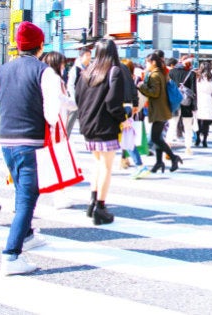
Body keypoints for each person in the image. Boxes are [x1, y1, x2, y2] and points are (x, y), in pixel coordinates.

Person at [0, 21, 58, 275]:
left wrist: (9, 117)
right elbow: (52, 110)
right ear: (41, 45)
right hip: (31, 141)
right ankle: (11, 254)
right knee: (28, 195)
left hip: (7, 140)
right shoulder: (44, 71)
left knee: (21, 189)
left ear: (16, 44)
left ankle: (27, 234)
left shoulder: (1, 71)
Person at [76, 39, 127, 226]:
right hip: (105, 125)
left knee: (97, 163)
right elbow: (113, 103)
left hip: (88, 125)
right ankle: (100, 207)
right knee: (106, 166)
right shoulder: (114, 71)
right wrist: (124, 118)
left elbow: (78, 98)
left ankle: (92, 202)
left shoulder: (86, 72)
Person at [40, 51, 78, 209]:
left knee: (53, 161)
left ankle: (59, 195)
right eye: (62, 63)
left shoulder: (46, 77)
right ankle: (59, 197)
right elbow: (60, 100)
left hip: (53, 123)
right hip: (56, 124)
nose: (64, 66)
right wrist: (77, 103)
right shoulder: (55, 79)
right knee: (58, 161)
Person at [138, 53, 183, 172]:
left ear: (153, 62)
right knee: (158, 137)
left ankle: (173, 158)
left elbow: (155, 92)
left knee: (155, 138)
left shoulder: (155, 75)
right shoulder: (161, 73)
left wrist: (141, 86)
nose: (146, 64)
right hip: (162, 109)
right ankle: (159, 162)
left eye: (147, 62)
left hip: (159, 110)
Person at [121, 58, 150, 179]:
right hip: (130, 110)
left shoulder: (123, 79)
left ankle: (139, 164)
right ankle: (127, 160)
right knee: (126, 139)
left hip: (123, 110)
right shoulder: (132, 79)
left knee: (126, 139)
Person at [169, 57, 196, 147]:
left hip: (174, 102)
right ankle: (188, 148)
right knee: (188, 126)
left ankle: (168, 145)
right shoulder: (191, 74)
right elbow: (193, 91)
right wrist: (194, 106)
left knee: (172, 125)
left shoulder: (171, 72)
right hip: (187, 103)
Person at [66, 47, 92, 136]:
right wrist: (74, 98)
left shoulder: (91, 68)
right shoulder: (76, 69)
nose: (89, 57)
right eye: (87, 55)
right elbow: (70, 85)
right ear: (81, 57)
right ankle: (65, 137)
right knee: (71, 120)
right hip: (77, 99)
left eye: (90, 55)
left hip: (87, 99)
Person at [195, 61, 212, 148]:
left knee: (198, 121)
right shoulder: (211, 78)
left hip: (199, 100)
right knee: (206, 123)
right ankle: (205, 140)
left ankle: (197, 138)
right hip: (208, 100)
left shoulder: (197, 78)